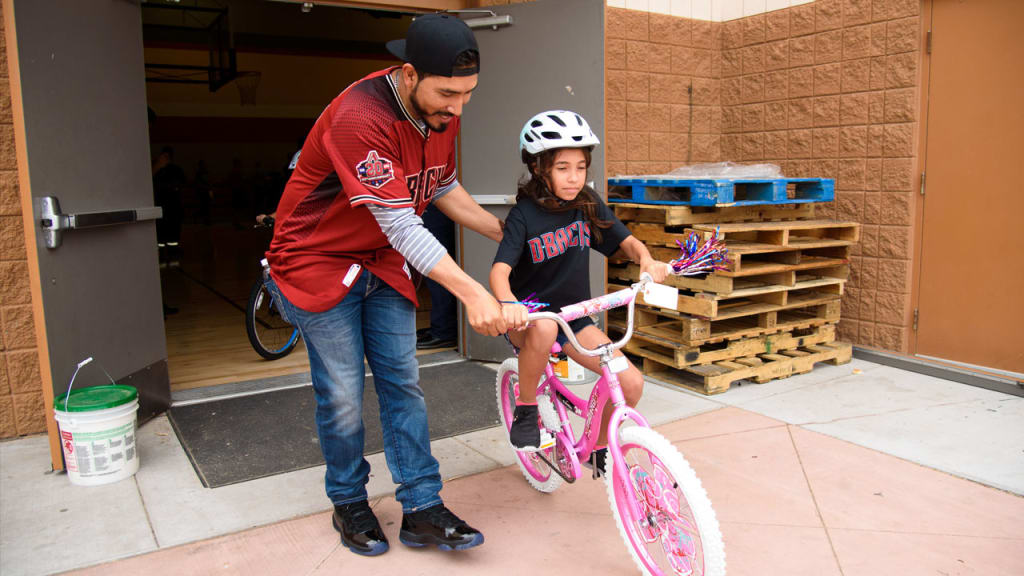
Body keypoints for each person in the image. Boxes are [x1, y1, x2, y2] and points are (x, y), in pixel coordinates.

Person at [263, 14, 505, 557]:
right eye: (448, 94)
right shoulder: (360, 116)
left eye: (468, 94)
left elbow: (440, 185)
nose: (458, 108)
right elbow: (401, 222)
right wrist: (472, 291)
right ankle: (349, 501)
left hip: (381, 258)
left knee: (403, 382)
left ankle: (422, 506)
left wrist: (503, 232)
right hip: (316, 258)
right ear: (409, 73)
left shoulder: (439, 113)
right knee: (343, 392)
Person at [490, 110, 668, 471]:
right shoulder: (524, 215)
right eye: (562, 168)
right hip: (531, 317)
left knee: (630, 383)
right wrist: (508, 303)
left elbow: (627, 242)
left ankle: (599, 446)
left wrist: (647, 259)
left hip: (575, 319)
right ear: (539, 167)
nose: (574, 177)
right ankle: (526, 409)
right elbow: (499, 271)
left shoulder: (586, 204)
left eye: (581, 167)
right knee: (545, 327)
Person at [416, 203, 458, 350]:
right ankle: (441, 326)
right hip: (433, 204)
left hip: (436, 203)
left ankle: (444, 330)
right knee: (435, 269)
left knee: (437, 267)